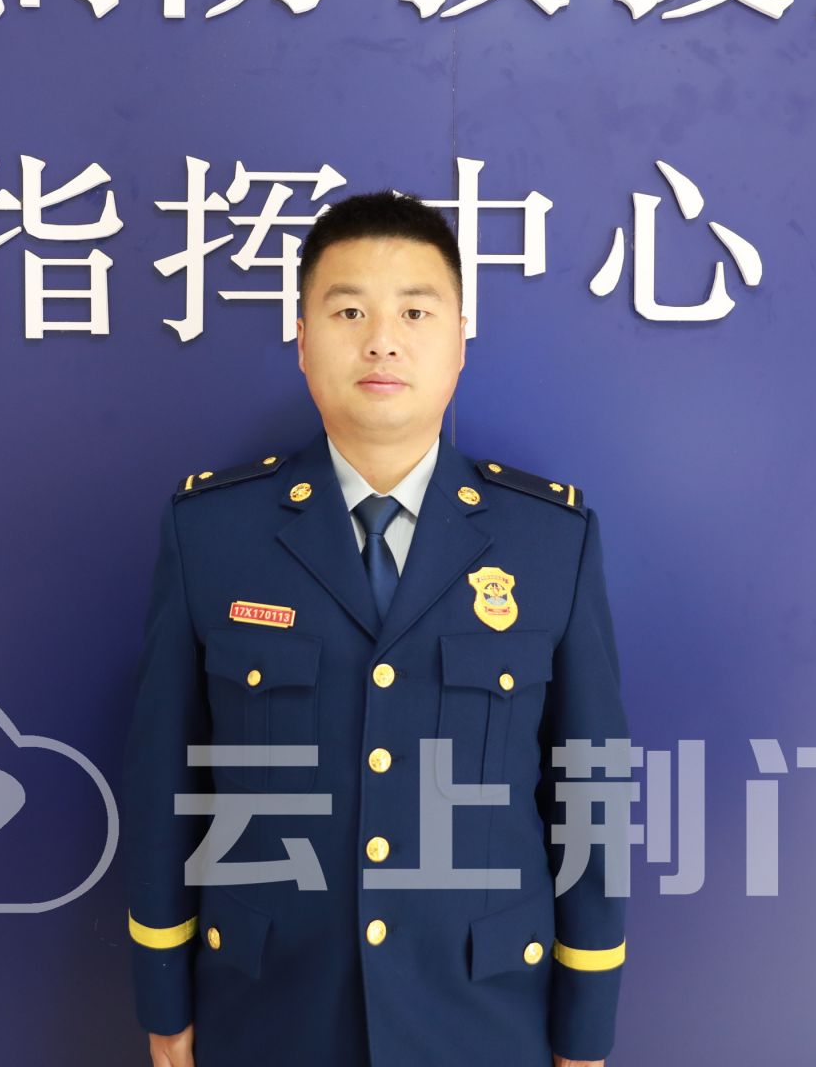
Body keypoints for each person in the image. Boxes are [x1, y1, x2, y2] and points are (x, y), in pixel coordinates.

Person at [121, 191, 630, 1066]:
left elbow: (590, 786)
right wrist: (163, 993)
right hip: (270, 1010)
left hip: (482, 1017)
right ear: (303, 341)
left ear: (460, 341)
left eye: (415, 312)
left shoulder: (550, 541)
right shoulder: (212, 534)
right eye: (349, 310)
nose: (382, 341)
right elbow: (164, 778)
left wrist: (585, 1020)